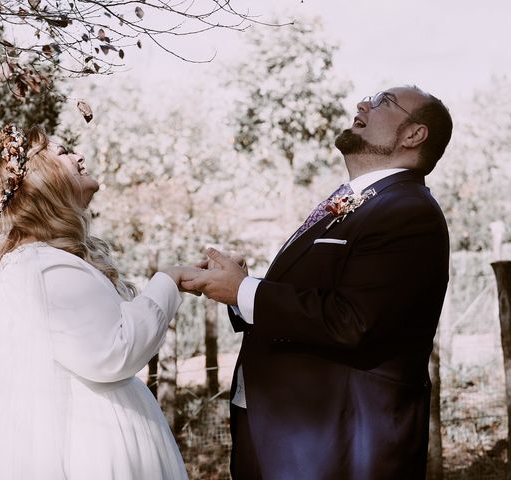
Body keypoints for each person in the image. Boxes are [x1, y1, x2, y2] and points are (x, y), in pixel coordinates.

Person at [183, 86, 453, 479]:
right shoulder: (358, 201)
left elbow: (353, 320)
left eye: (382, 102)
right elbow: (322, 297)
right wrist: (238, 287)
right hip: (278, 432)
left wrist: (244, 291)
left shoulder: (409, 211)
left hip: (337, 446)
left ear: (414, 135)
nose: (363, 104)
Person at [0, 124, 197, 480]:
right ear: (41, 179)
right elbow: (114, 351)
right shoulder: (42, 266)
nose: (79, 156)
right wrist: (168, 281)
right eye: (65, 152)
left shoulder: (38, 261)